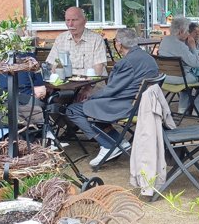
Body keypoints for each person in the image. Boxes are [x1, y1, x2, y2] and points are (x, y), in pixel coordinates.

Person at [67, 28, 158, 166]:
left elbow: (111, 89)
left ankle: (108, 145)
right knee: (93, 109)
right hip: (142, 103)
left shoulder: (126, 62)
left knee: (73, 109)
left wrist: (91, 97)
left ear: (118, 44)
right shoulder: (149, 58)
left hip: (127, 106)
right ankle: (119, 142)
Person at [158, 17, 199, 117]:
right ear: (180, 31)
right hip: (179, 78)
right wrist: (193, 46)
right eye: (187, 31)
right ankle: (198, 111)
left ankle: (182, 108)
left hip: (164, 77)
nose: (188, 33)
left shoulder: (165, 40)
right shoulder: (181, 46)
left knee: (188, 73)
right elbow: (196, 63)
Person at [46, 7, 107, 76]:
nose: (70, 24)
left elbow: (98, 69)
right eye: (67, 20)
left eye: (74, 20)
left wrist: (87, 86)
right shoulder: (61, 39)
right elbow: (53, 64)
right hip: (66, 84)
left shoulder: (96, 39)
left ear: (85, 21)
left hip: (92, 83)